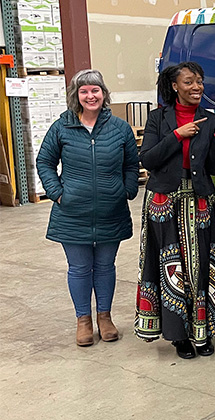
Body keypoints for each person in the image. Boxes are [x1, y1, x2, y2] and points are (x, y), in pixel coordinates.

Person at [134, 62, 215, 359]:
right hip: (163, 202)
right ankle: (178, 337)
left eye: (200, 81)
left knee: (201, 266)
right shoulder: (158, 118)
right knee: (171, 268)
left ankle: (203, 333)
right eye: (190, 82)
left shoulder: (210, 118)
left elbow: (213, 167)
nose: (197, 87)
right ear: (174, 87)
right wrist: (177, 135)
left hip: (200, 201)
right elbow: (148, 160)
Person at [36, 69, 140, 347]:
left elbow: (131, 164)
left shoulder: (119, 128)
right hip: (72, 212)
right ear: (76, 95)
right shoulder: (62, 127)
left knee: (106, 266)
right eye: (84, 91)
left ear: (104, 94)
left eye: (95, 90)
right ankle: (83, 321)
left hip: (111, 210)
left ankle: (104, 318)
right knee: (80, 268)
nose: (90, 95)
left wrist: (127, 191)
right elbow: (44, 161)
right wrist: (57, 193)